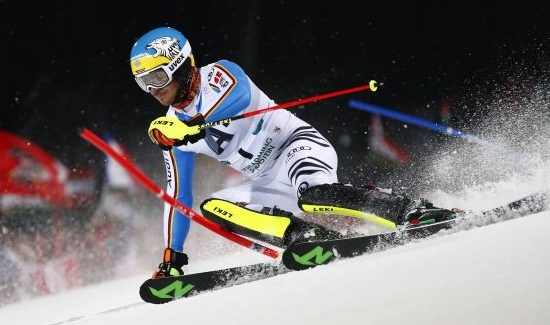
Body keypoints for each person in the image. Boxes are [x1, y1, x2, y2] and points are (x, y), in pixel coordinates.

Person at [130, 27, 455, 278]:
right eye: (143, 83)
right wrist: (173, 255)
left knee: (313, 195)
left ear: (181, 65)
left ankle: (410, 210)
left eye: (157, 77)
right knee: (214, 206)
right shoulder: (173, 130)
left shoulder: (219, 74)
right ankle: (307, 235)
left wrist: (194, 126)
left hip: (297, 146)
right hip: (267, 179)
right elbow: (178, 195)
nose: (153, 90)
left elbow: (239, 96)